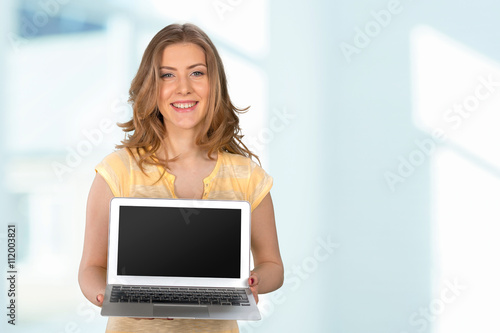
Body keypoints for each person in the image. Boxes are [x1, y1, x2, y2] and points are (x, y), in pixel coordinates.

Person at [78, 23, 284, 332]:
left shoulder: (247, 177)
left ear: (214, 84)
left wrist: (254, 281)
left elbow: (273, 267)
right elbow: (91, 268)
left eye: (197, 73)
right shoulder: (117, 171)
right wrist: (112, 296)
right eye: (167, 74)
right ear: (152, 86)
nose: (184, 87)